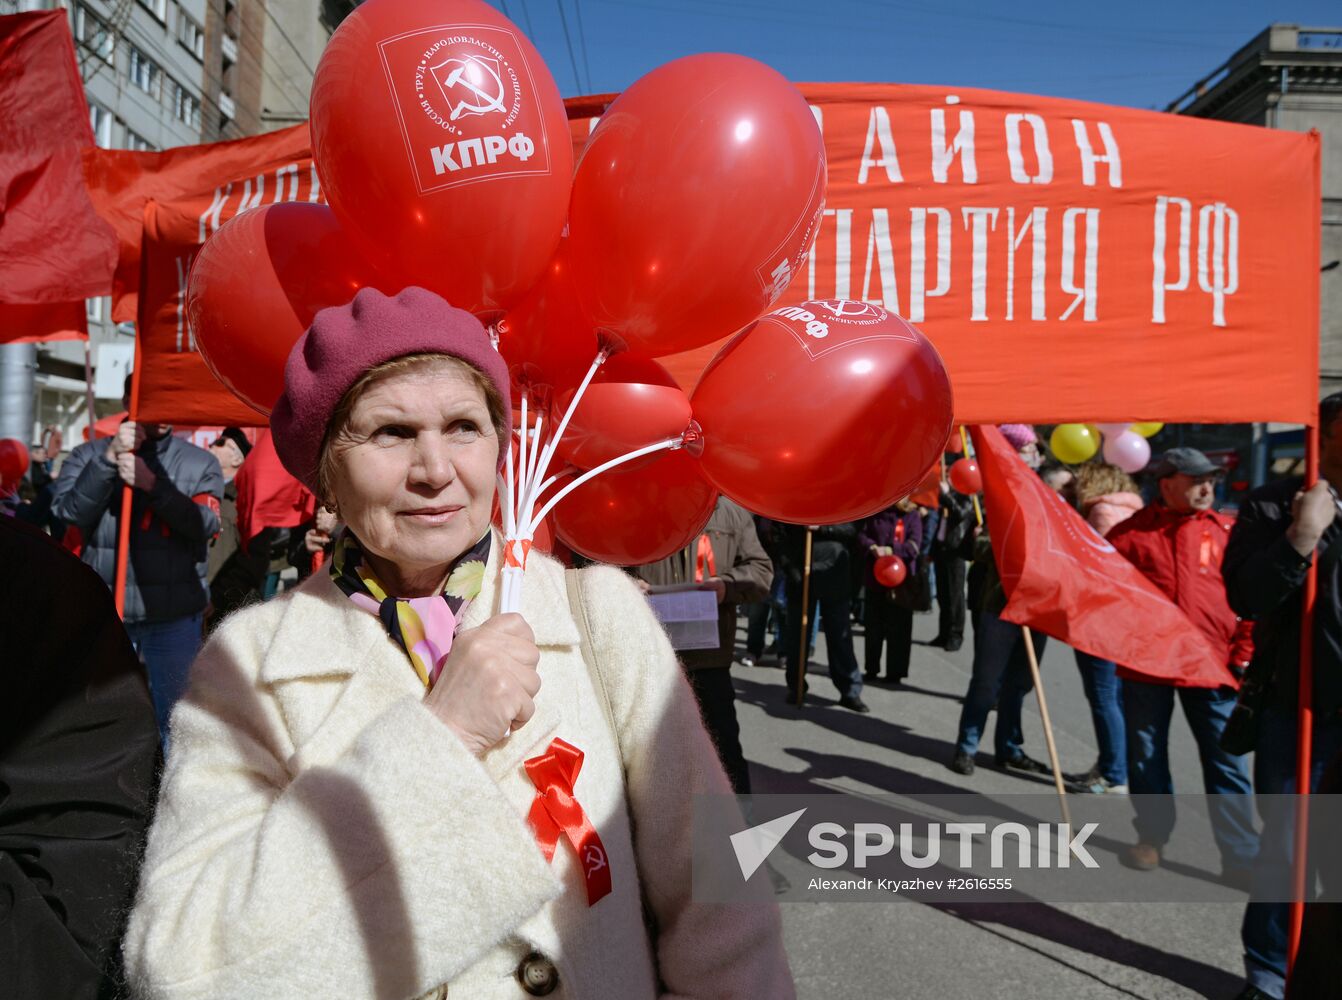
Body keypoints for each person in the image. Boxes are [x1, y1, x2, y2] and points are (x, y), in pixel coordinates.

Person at [123, 286, 793, 999]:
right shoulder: (251, 663)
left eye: (464, 427)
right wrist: (439, 739)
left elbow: (725, 912)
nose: (435, 470)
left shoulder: (598, 617)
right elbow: (181, 968)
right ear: (326, 474)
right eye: (391, 433)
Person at [1, 516, 159, 999]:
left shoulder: (30, 584)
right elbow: (76, 506)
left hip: (160, 605)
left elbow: (82, 847)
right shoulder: (91, 460)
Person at [1223, 393, 1342, 1000]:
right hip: (1300, 712)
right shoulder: (1275, 505)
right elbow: (1247, 596)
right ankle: (1269, 973)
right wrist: (1301, 536)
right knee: (1290, 850)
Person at [1107, 447, 1258, 881]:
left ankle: (1241, 855)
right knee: (1146, 757)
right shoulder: (1128, 535)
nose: (1206, 488)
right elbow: (1106, 598)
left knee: (1227, 761)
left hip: (1213, 666)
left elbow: (1250, 601)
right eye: (1196, 480)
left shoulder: (1228, 531)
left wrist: (1244, 653)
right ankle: (1151, 837)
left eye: (1210, 480)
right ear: (1167, 482)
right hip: (1146, 666)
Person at [50, 376, 224, 741]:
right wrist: (107, 461)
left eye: (167, 397)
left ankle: (169, 796)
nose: (160, 410)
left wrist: (152, 485)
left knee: (176, 723)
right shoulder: (87, 454)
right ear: (128, 398)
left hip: (172, 619)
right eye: (149, 398)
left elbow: (204, 525)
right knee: (102, 720)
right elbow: (68, 513)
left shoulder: (200, 462)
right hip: (107, 615)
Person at [633, 495, 771, 793]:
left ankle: (738, 825)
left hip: (710, 659)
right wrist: (626, 585)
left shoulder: (732, 514)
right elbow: (606, 563)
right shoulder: (641, 507)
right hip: (655, 657)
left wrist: (727, 585)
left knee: (723, 752)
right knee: (653, 755)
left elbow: (761, 572)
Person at [949, 424, 1052, 778]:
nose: (1032, 457)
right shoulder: (999, 495)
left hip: (1038, 607)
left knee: (1020, 683)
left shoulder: (1050, 498)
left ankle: (1009, 746)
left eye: (1034, 452)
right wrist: (1011, 549)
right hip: (1000, 604)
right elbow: (977, 546)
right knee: (986, 681)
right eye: (1026, 450)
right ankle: (967, 746)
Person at [1064, 461, 1144, 794]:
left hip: (1101, 615)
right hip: (1127, 615)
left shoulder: (1102, 513)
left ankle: (1114, 774)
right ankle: (1114, 765)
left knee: (1103, 696)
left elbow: (1097, 563)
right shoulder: (1133, 509)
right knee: (1116, 697)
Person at [778, 520, 868, 712]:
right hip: (801, 573)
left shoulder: (841, 498)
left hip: (834, 572)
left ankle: (850, 690)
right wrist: (789, 566)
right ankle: (796, 686)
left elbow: (852, 529)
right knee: (797, 635)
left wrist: (824, 528)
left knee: (839, 636)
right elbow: (779, 535)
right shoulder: (792, 498)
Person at [206, 427, 268, 627]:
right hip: (197, 603)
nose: (212, 445)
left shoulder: (248, 499)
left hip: (233, 611)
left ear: (236, 459)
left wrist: (217, 598)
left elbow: (254, 560)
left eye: (222, 443)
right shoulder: (203, 492)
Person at [859, 499, 923, 684]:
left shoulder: (912, 515)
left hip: (901, 581)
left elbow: (914, 546)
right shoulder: (876, 511)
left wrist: (890, 549)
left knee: (899, 629)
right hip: (875, 578)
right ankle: (871, 667)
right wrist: (872, 547)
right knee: (873, 627)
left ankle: (895, 672)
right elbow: (862, 535)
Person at [931, 474, 974, 651]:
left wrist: (947, 495)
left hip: (956, 550)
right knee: (943, 594)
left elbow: (961, 514)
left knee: (955, 595)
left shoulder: (967, 497)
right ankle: (944, 632)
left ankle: (956, 634)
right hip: (942, 548)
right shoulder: (947, 497)